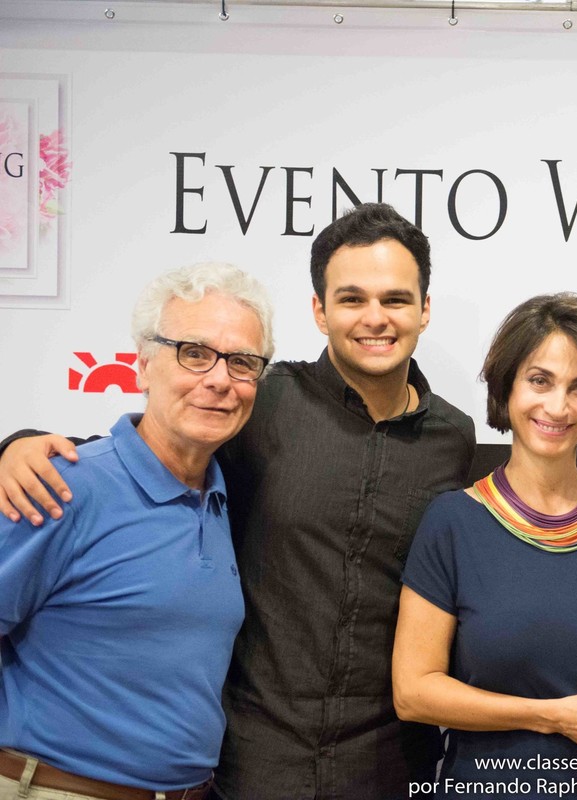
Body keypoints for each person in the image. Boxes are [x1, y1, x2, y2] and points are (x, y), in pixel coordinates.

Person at [0, 204, 476, 800]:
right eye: (351, 298)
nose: (374, 318)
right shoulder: (261, 401)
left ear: (425, 310)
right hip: (252, 762)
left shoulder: (453, 439)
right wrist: (17, 449)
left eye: (396, 299)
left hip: (386, 765)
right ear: (319, 311)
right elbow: (150, 450)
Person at [0, 263, 274, 800]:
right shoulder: (61, 485)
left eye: (242, 363)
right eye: (194, 353)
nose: (219, 379)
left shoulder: (222, 497)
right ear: (142, 367)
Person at [392, 293, 577, 799]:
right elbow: (414, 692)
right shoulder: (455, 523)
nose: (558, 406)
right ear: (506, 387)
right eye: (539, 380)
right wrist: (552, 717)